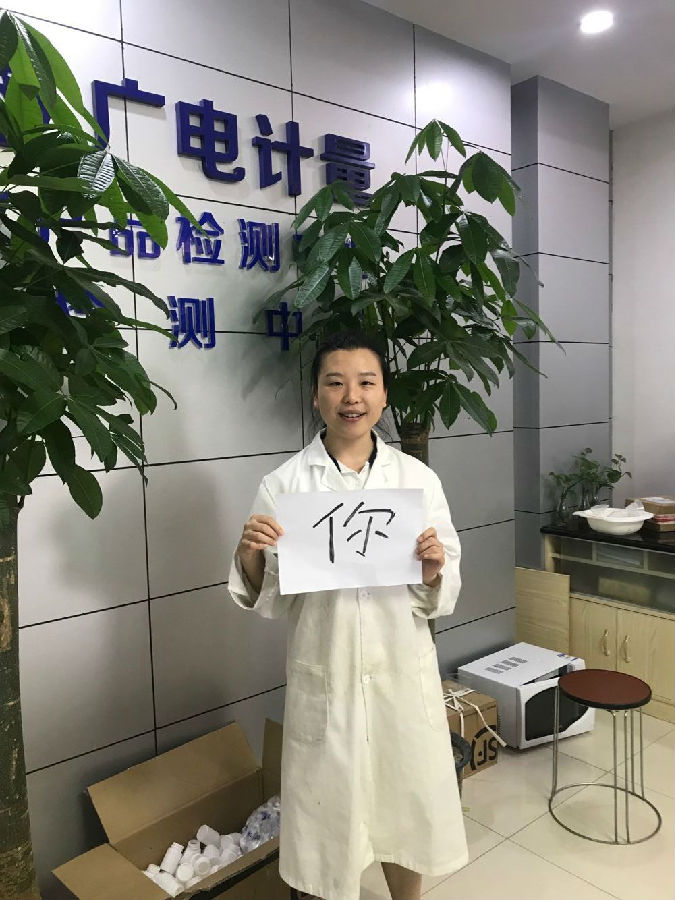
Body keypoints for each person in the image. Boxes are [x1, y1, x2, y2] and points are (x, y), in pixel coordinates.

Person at [228, 331, 468, 900]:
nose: (351, 397)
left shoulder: (416, 481)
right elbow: (272, 598)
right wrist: (250, 556)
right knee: (328, 823)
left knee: (404, 809)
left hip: (400, 674)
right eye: (335, 383)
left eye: (366, 382)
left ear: (384, 395)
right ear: (317, 396)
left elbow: (445, 585)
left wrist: (434, 570)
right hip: (327, 675)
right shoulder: (285, 486)